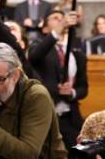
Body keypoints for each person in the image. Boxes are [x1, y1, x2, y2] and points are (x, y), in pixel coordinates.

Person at [29, 9, 88, 149]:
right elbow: (35, 57)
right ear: (44, 27)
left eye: (62, 18)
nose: (61, 20)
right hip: (47, 116)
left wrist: (72, 92)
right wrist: (58, 29)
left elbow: (83, 88)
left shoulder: (77, 53)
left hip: (70, 117)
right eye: (55, 18)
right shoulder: (38, 46)